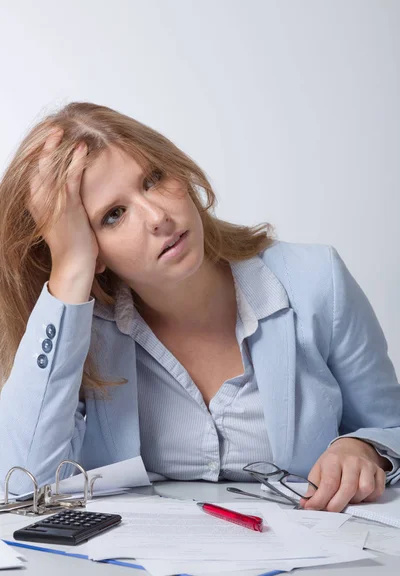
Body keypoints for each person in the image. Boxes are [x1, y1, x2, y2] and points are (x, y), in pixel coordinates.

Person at [0, 102, 399, 513]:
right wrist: (69, 271)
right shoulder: (83, 330)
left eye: (154, 179)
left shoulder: (316, 280)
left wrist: (364, 448)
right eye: (114, 216)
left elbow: (391, 426)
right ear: (89, 248)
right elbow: (19, 482)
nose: (157, 217)